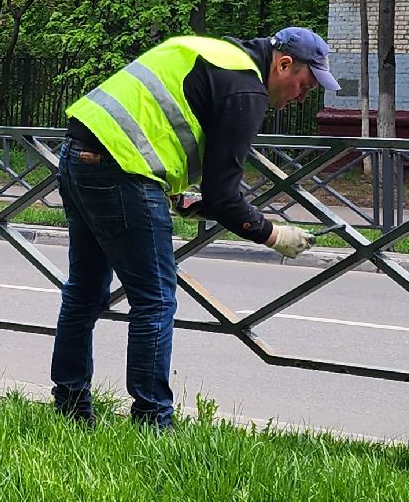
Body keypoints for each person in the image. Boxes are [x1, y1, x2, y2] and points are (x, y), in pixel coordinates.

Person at [51, 26, 338, 428]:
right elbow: (225, 197)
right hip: (123, 172)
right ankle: (152, 422)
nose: (300, 98)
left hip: (77, 153)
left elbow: (158, 120)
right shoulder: (247, 90)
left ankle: (70, 407)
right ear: (284, 64)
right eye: (304, 85)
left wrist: (179, 196)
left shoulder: (220, 52)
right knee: (155, 300)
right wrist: (274, 235)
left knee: (83, 293)